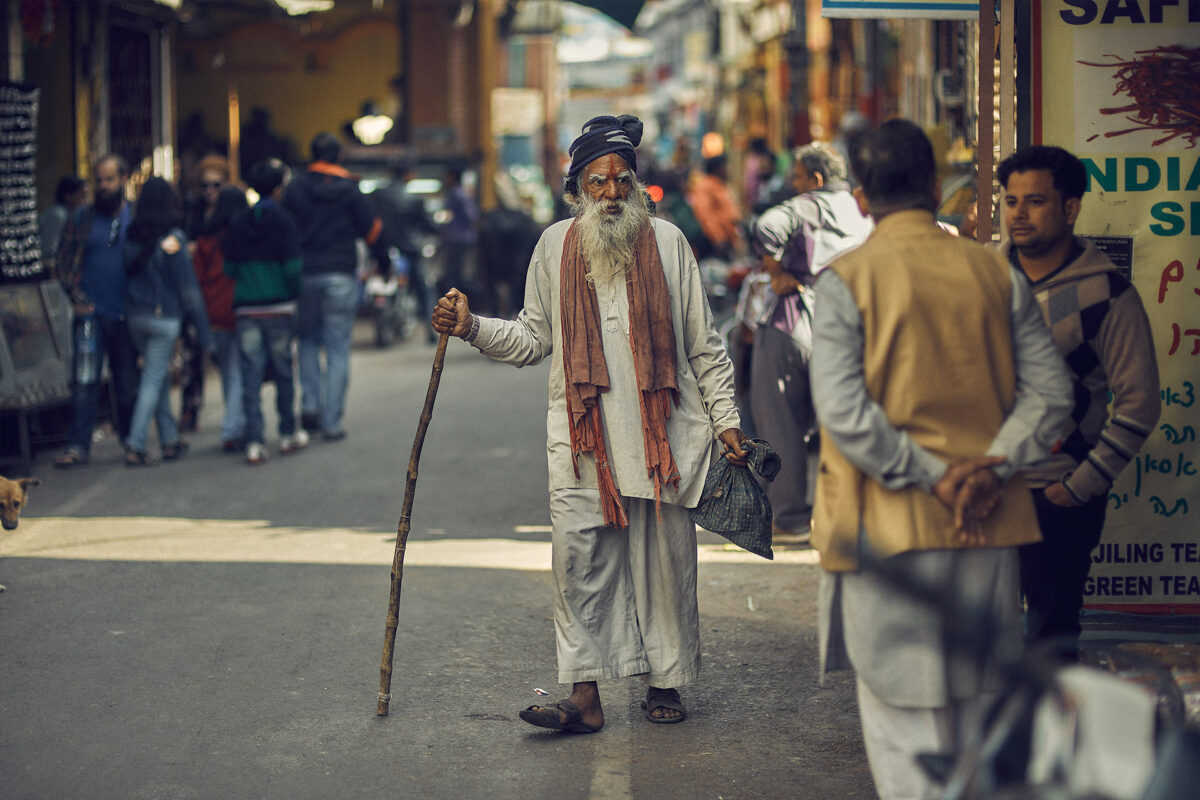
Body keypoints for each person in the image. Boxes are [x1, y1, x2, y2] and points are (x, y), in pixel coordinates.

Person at [431, 114, 749, 733]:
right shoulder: (554, 247)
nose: (610, 194)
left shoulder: (670, 244)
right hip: (583, 442)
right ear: (576, 190)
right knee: (578, 565)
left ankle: (666, 682)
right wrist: (470, 326)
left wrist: (726, 420)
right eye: (597, 183)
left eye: (620, 181)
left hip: (664, 438)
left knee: (663, 565)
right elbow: (530, 338)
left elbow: (703, 346)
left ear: (637, 187)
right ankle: (584, 697)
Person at [809, 119, 1073, 800]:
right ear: (935, 186)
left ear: (861, 198)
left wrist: (934, 477)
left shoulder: (845, 280)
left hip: (886, 529)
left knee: (906, 734)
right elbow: (1052, 393)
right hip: (986, 524)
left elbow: (844, 415)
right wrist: (988, 468)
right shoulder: (994, 270)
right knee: (977, 719)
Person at [997, 145, 1160, 658]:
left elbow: (1139, 402)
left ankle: (1054, 739)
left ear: (1071, 208)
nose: (1019, 213)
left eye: (1036, 201)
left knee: (1051, 644)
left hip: (1054, 498)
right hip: (982, 490)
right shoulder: (982, 276)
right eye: (1011, 200)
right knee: (978, 644)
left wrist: (1078, 487)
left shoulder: (1107, 295)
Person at [749, 142, 873, 541]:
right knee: (841, 425)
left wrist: (775, 269)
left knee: (780, 421)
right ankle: (847, 517)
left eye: (798, 178)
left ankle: (791, 518)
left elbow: (765, 228)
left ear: (816, 180)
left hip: (794, 323)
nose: (794, 185)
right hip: (847, 329)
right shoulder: (861, 209)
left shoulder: (805, 206)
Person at [283, 132, 383, 441]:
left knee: (309, 341)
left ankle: (310, 404)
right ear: (339, 157)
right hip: (340, 274)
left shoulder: (296, 187)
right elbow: (373, 230)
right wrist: (386, 264)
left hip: (305, 275)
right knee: (338, 348)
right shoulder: (350, 190)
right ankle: (332, 423)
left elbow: (285, 229)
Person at [52, 155, 141, 468]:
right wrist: (76, 297)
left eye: (109, 180)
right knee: (85, 381)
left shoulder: (136, 217)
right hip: (90, 315)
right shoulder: (81, 219)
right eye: (99, 180)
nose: (103, 186)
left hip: (126, 313)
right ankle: (78, 445)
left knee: (127, 382)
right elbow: (62, 261)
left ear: (123, 179)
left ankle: (132, 440)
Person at [122, 178, 214, 465]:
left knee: (157, 377)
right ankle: (136, 444)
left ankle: (169, 440)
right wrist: (206, 335)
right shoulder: (174, 239)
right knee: (152, 378)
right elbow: (189, 290)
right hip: (164, 318)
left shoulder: (131, 235)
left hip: (135, 316)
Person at [225, 159, 307, 465]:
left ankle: (255, 442)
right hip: (280, 308)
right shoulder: (285, 221)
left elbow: (229, 267)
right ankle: (287, 433)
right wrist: (291, 292)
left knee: (251, 375)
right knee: (284, 372)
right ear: (277, 188)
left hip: (246, 309)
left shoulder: (239, 222)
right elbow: (293, 267)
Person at [192, 185, 250, 452]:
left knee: (228, 370)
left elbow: (198, 279)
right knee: (240, 369)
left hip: (214, 310)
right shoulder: (247, 236)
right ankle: (234, 427)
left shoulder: (206, 241)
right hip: (241, 307)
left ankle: (235, 424)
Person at [179, 154, 233, 433]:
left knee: (226, 361)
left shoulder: (232, 211)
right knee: (192, 356)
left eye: (216, 184)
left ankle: (234, 416)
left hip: (222, 293)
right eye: (205, 185)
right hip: (196, 291)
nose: (210, 191)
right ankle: (190, 410)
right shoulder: (193, 213)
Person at [436, 165, 479, 297]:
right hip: (458, 238)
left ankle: (455, 302)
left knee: (455, 273)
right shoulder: (457, 194)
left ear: (452, 177)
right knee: (454, 273)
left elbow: (471, 216)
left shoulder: (458, 194)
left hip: (459, 239)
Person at [687, 154, 742, 258]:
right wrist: (719, 238)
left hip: (726, 240)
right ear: (717, 168)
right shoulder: (705, 186)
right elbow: (705, 214)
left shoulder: (719, 185)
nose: (728, 169)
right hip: (713, 243)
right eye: (725, 166)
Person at [39, 175, 87, 261]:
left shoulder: (72, 214)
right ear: (68, 196)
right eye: (82, 195)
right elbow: (49, 249)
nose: (85, 200)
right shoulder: (57, 214)